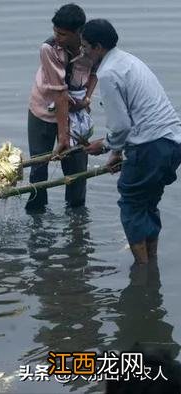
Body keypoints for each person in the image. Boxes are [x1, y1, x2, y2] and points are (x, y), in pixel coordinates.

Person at [82, 19, 181, 265]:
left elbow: (121, 126)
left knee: (132, 204)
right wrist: (116, 152)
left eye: (85, 47)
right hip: (172, 142)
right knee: (147, 203)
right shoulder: (129, 60)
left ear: (97, 47)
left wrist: (105, 146)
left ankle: (142, 271)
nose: (82, 52)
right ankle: (151, 260)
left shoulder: (108, 73)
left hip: (150, 146)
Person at [25, 3, 98, 212]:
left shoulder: (92, 46)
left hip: (75, 112)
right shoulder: (49, 49)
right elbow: (59, 92)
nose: (58, 37)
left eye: (63, 34)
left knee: (76, 168)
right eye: (55, 32)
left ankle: (76, 215)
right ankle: (36, 213)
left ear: (79, 33)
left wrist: (86, 99)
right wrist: (63, 136)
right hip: (44, 111)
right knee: (39, 166)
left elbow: (95, 73)